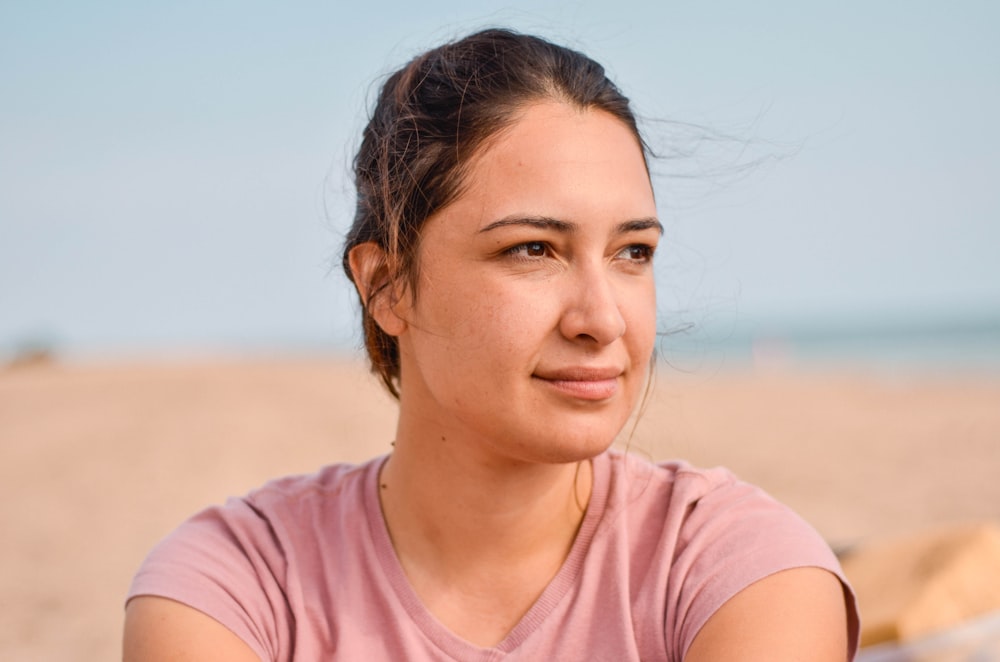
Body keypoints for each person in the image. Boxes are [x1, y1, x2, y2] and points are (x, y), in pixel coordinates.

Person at [124, 28, 859, 661]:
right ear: (387, 286)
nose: (602, 320)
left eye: (633, 252)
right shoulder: (233, 587)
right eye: (533, 249)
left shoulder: (742, 569)